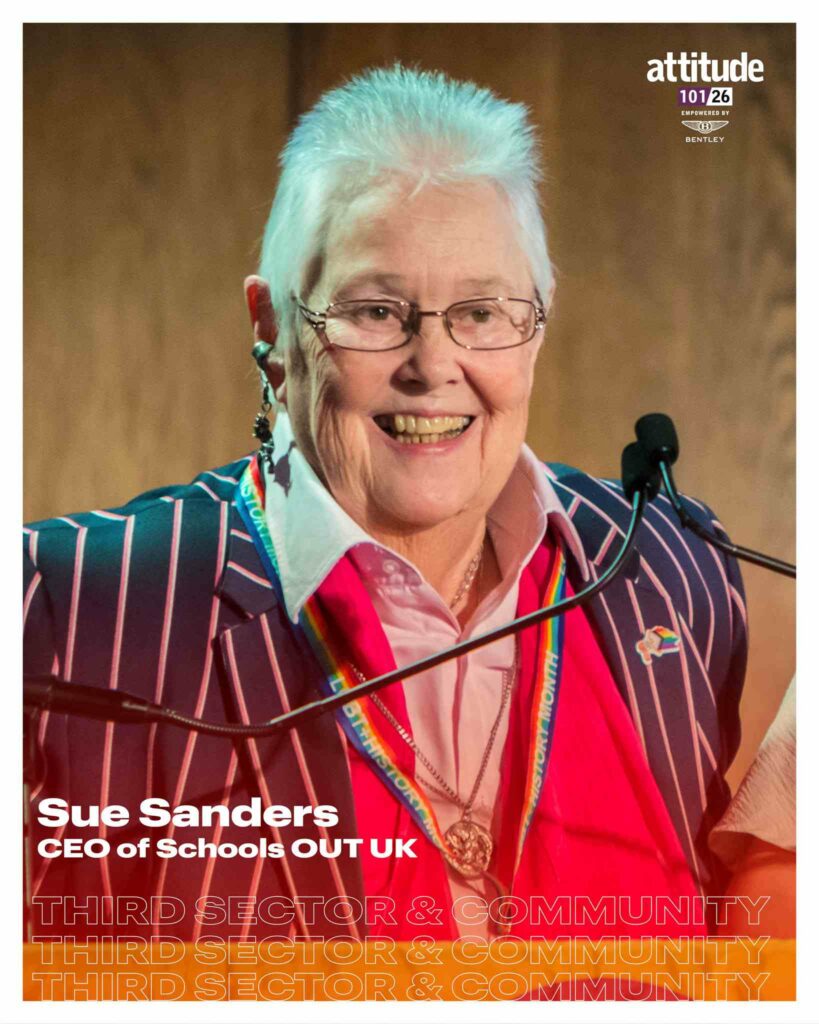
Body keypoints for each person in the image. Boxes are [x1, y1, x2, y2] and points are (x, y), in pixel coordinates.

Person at [23, 64, 747, 943]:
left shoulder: (673, 571)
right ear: (270, 328)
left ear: (539, 321)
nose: (432, 366)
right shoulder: (60, 609)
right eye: (373, 310)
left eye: (481, 311)